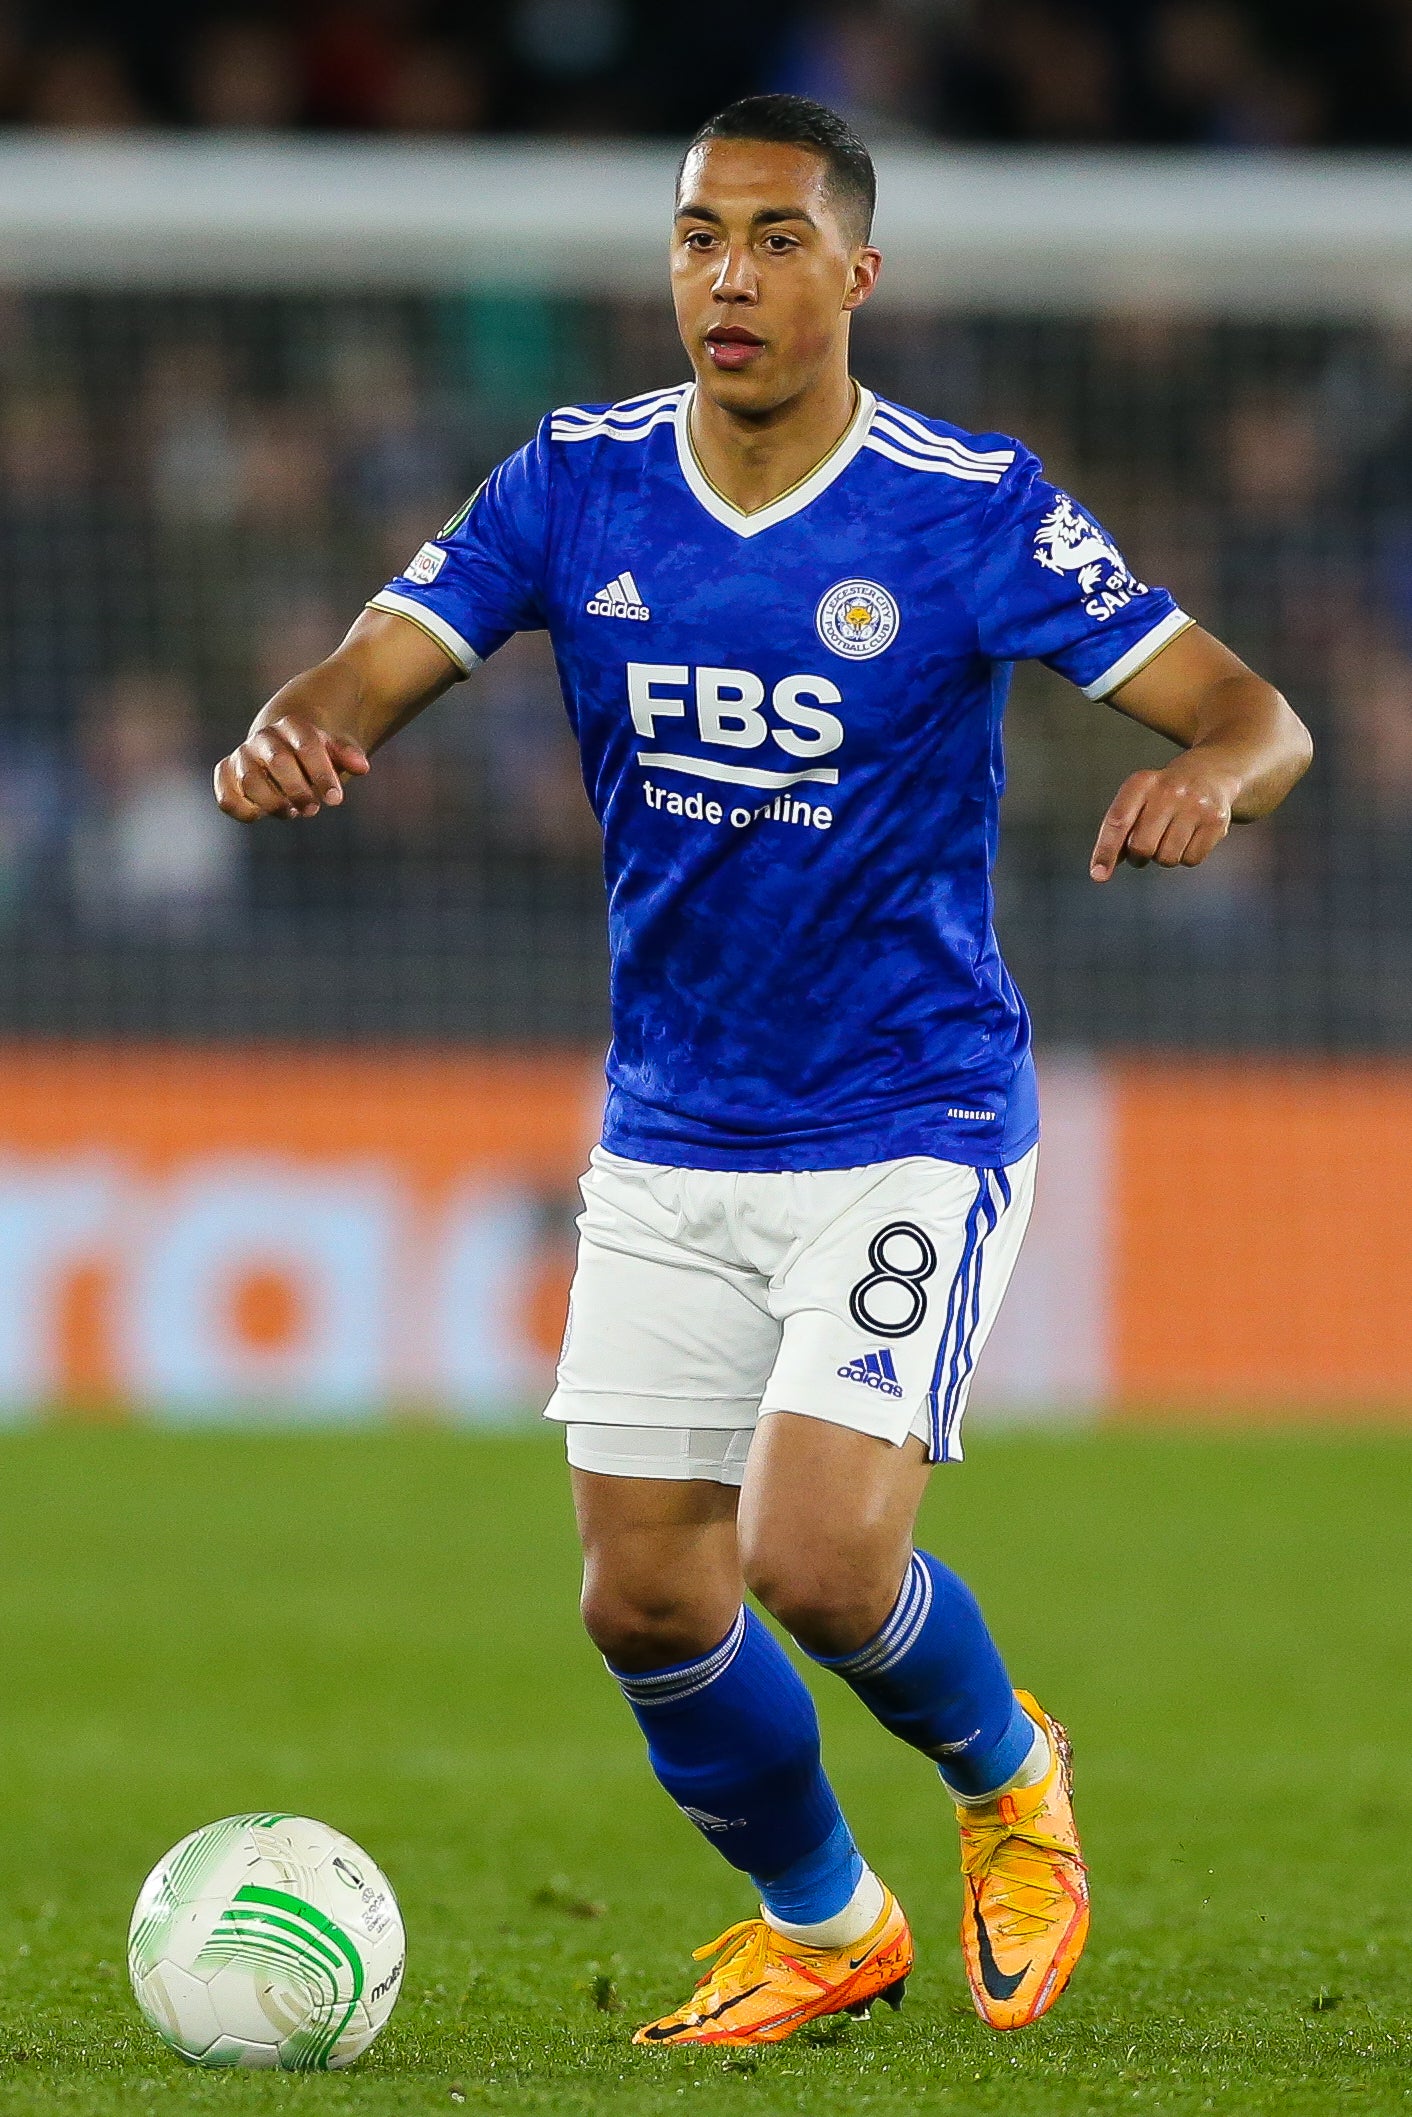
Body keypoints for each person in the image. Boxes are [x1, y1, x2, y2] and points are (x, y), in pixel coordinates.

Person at [214, 95, 1312, 2046]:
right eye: (699, 233)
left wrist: (1206, 778)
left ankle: (1007, 1781)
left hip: (909, 1116)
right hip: (672, 1129)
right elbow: (366, 668)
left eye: (776, 238)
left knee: (814, 1560)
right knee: (643, 1603)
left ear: (857, 274)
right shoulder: (576, 479)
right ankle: (825, 1922)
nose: (728, 272)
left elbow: (1254, 709)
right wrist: (290, 733)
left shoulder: (963, 509)